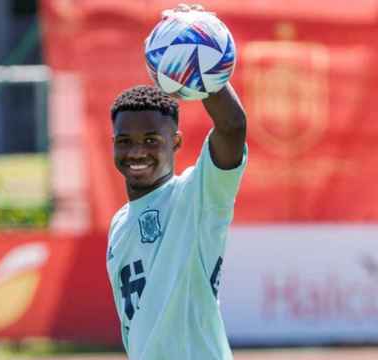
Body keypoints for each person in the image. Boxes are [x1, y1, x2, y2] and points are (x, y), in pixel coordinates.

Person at [105, 6, 247, 360]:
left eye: (152, 140)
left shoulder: (198, 196)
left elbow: (232, 128)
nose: (137, 151)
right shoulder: (120, 224)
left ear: (177, 143)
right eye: (125, 141)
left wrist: (202, 62)